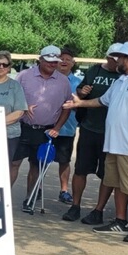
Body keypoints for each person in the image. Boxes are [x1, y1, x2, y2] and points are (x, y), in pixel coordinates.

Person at [64, 41, 128, 243]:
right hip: (115, 144)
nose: (116, 60)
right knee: (117, 183)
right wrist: (80, 103)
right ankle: (120, 222)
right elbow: (101, 101)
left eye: (119, 57)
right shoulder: (122, 80)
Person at [63, 44, 121, 223]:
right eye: (114, 59)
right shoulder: (95, 71)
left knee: (107, 173)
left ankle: (98, 210)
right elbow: (80, 92)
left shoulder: (124, 76)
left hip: (111, 132)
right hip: (89, 127)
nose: (117, 63)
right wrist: (81, 92)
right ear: (108, 57)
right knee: (81, 169)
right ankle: (75, 206)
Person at [13, 45, 72, 214]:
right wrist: (23, 107)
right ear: (40, 59)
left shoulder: (63, 81)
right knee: (13, 163)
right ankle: (2, 198)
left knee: (36, 165)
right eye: (49, 61)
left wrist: (58, 127)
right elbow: (13, 97)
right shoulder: (24, 76)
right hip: (22, 126)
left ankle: (30, 199)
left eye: (55, 62)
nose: (52, 64)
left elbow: (66, 107)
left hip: (45, 131)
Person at [55, 48, 82, 205]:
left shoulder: (78, 83)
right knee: (39, 160)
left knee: (64, 161)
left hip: (67, 128)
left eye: (67, 59)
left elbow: (82, 105)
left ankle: (64, 190)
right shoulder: (49, 78)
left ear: (73, 63)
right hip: (47, 127)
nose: (64, 61)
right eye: (61, 58)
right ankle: (36, 189)